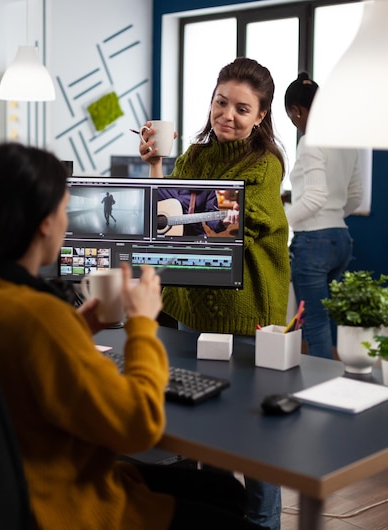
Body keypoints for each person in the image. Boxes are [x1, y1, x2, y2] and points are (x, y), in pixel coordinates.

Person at [0, 142, 260, 530]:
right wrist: (142, 323)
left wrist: (79, 326)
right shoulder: (41, 318)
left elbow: (25, 363)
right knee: (228, 507)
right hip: (68, 505)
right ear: (44, 221)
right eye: (65, 205)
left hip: (14, 491)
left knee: (223, 490)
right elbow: (138, 427)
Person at [140, 57, 290, 530]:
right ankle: (222, 518)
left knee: (257, 432)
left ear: (261, 116)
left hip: (246, 311)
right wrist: (158, 166)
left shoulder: (265, 166)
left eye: (242, 109)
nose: (227, 114)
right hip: (194, 305)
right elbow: (171, 214)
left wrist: (186, 217)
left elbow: (226, 224)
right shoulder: (196, 157)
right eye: (220, 102)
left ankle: (263, 523)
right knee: (207, 424)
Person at [284, 72, 363, 359]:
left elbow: (315, 197)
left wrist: (281, 223)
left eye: (293, 117)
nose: (295, 123)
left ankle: (320, 392)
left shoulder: (310, 141)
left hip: (313, 243)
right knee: (322, 320)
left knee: (315, 327)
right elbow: (356, 194)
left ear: (297, 110)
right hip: (341, 240)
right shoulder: (345, 142)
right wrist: (332, 217)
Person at [157, 186, 239, 237]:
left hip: (195, 237)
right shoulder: (163, 184)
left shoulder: (206, 189)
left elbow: (212, 221)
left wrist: (223, 222)